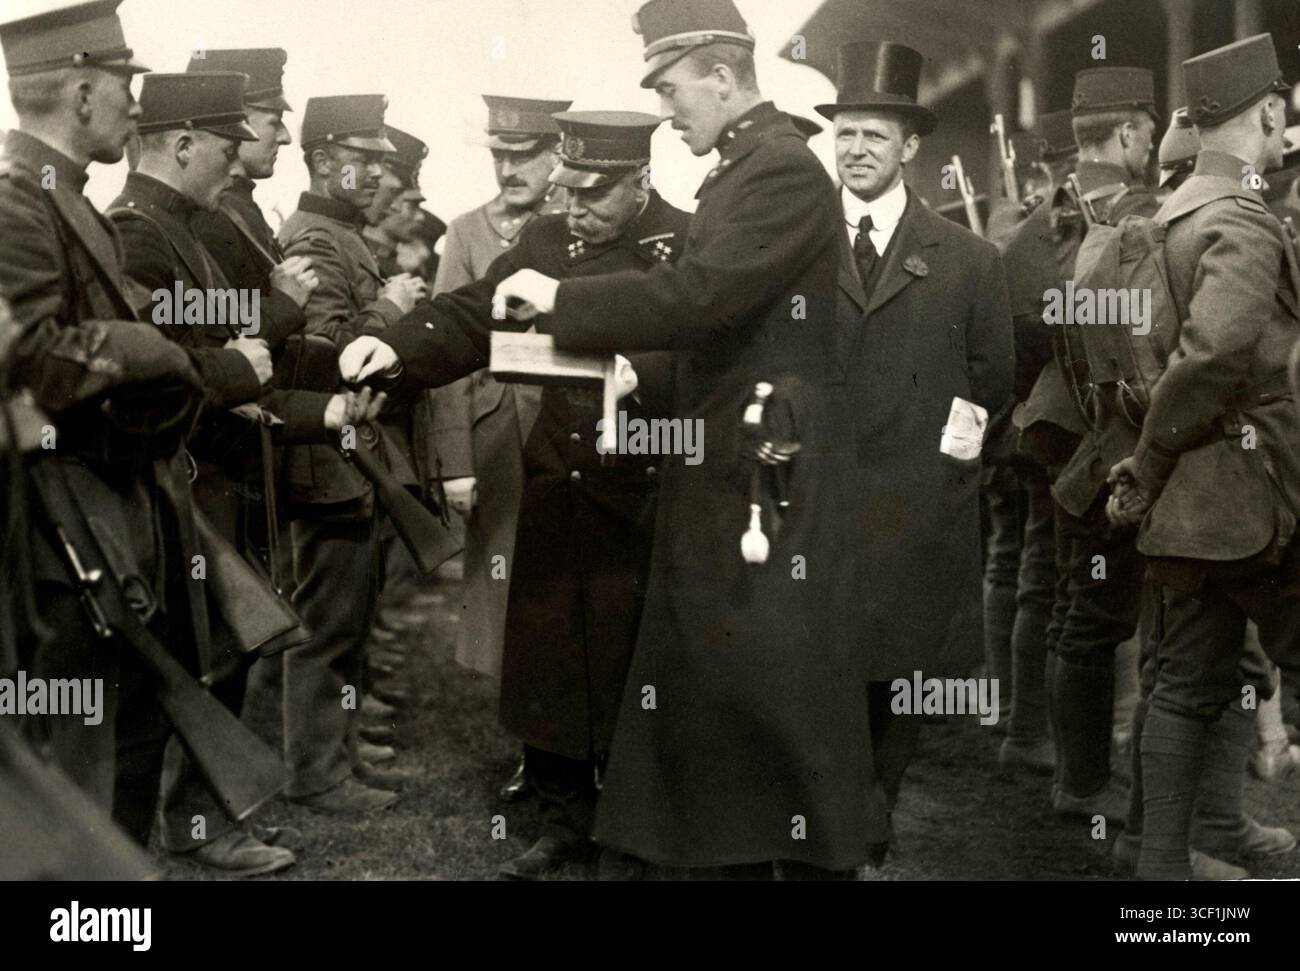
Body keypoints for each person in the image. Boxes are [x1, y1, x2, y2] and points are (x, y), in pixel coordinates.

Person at [485, 0, 891, 879]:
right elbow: (727, 329)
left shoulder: (778, 172)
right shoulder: (746, 171)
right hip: (739, 450)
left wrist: (564, 299)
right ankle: (729, 843)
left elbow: (705, 294)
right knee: (734, 671)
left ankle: (787, 845)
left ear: (721, 73)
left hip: (765, 464)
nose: (667, 110)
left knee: (769, 672)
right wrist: (645, 370)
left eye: (672, 89)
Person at [1107, 33, 1300, 881]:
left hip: (1187, 504)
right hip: (1258, 496)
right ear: (1268, 111)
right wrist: (1150, 459)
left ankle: (1157, 872)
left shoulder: (1165, 216)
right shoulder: (1243, 219)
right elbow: (1216, 353)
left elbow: (1146, 365)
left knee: (1184, 679)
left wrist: (1150, 464)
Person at [816, 40, 1014, 833]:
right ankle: (831, 811)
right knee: (819, 657)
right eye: (845, 134)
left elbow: (991, 377)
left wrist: (946, 459)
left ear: (909, 147)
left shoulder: (968, 258)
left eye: (873, 135)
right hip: (818, 494)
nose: (857, 149)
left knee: (902, 666)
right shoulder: (800, 246)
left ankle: (876, 805)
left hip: (914, 501)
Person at [274, 93, 425, 814]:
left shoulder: (342, 233)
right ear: (323, 160)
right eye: (362, 161)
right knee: (326, 625)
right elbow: (321, 358)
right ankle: (314, 772)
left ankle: (343, 752)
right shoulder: (314, 240)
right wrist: (391, 311)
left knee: (353, 618)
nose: (376, 174)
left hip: (354, 457)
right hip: (329, 459)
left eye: (380, 163)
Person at [423, 92, 571, 802]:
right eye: (499, 155)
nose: (508, 168)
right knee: (506, 596)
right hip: (498, 441)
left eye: (523, 155)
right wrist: (454, 462)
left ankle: (571, 747)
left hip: (570, 433)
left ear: (557, 156)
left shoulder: (578, 225)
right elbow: (444, 357)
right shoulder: (464, 233)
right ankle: (529, 748)